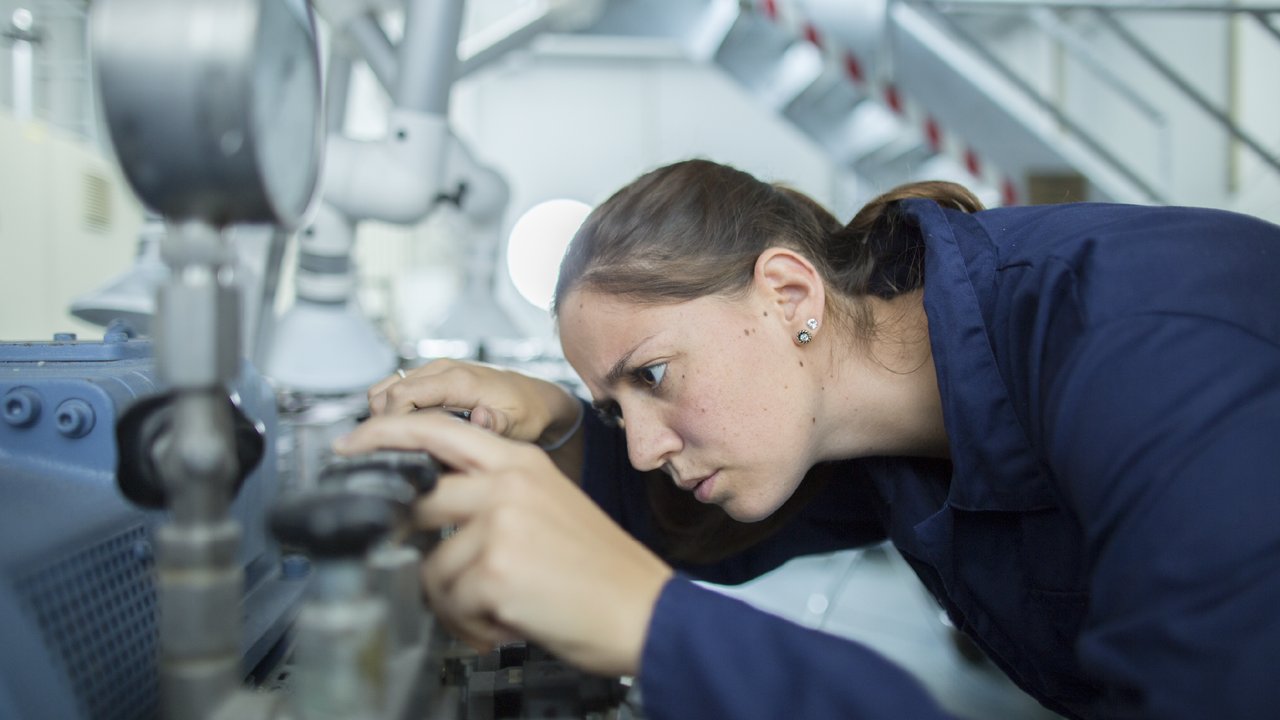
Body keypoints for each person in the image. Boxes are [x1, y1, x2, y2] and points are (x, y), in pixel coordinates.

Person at [334, 158, 1280, 719]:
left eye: (652, 376)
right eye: (619, 409)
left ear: (789, 294)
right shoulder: (874, 411)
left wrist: (662, 630)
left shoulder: (1141, 350)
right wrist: (558, 424)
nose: (640, 446)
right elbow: (682, 523)